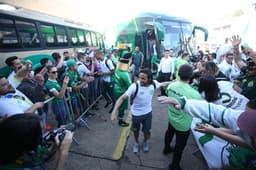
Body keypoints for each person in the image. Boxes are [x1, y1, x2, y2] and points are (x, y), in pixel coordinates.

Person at [158, 96, 256, 170]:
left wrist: (215, 131)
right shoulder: (246, 121)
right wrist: (185, 103)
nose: (246, 131)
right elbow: (218, 113)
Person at [111, 68, 170, 153]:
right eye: (139, 78)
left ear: (149, 79)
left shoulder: (153, 84)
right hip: (136, 115)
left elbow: (163, 84)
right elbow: (122, 98)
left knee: (147, 132)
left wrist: (175, 82)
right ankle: (136, 142)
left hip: (148, 114)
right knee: (135, 131)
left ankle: (145, 142)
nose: (140, 80)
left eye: (143, 78)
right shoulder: (134, 86)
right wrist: (114, 112)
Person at [162, 64, 202, 170]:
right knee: (180, 145)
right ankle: (174, 165)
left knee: (169, 132)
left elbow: (167, 93)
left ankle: (166, 148)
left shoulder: (171, 86)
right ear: (191, 76)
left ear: (178, 74)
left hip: (171, 116)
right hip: (184, 123)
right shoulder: (195, 94)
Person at [0, 113, 73, 170]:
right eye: (40, 131)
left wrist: (57, 145)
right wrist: (63, 154)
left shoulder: (26, 148)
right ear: (27, 140)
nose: (43, 132)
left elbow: (48, 158)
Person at [113, 52, 132, 126]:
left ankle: (118, 116)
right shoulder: (125, 74)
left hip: (116, 89)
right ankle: (120, 120)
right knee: (122, 107)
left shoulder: (117, 70)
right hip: (122, 92)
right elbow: (130, 86)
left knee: (118, 104)